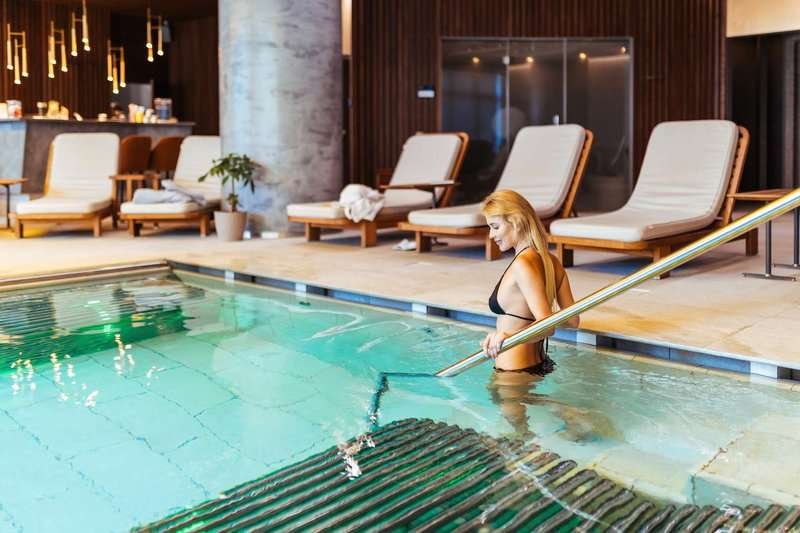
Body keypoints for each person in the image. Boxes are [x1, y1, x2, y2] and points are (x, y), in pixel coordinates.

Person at [480, 189, 579, 373]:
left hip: (513, 372)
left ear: (516, 222)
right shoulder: (552, 262)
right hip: (540, 365)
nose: (491, 235)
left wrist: (507, 335)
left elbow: (547, 326)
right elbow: (572, 320)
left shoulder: (522, 265)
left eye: (495, 226)